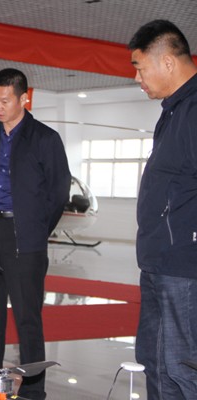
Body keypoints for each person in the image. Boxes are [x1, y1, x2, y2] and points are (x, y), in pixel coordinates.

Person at [0, 68, 71, 400]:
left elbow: (58, 192)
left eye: (5, 100)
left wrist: (35, 228)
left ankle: (33, 391)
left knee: (28, 319)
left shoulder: (45, 139)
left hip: (25, 237)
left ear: (24, 98)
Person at [128, 20, 197, 400]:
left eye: (140, 67)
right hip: (158, 262)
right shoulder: (172, 112)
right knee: (154, 361)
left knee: (182, 366)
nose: (137, 77)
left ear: (168, 62)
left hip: (184, 266)